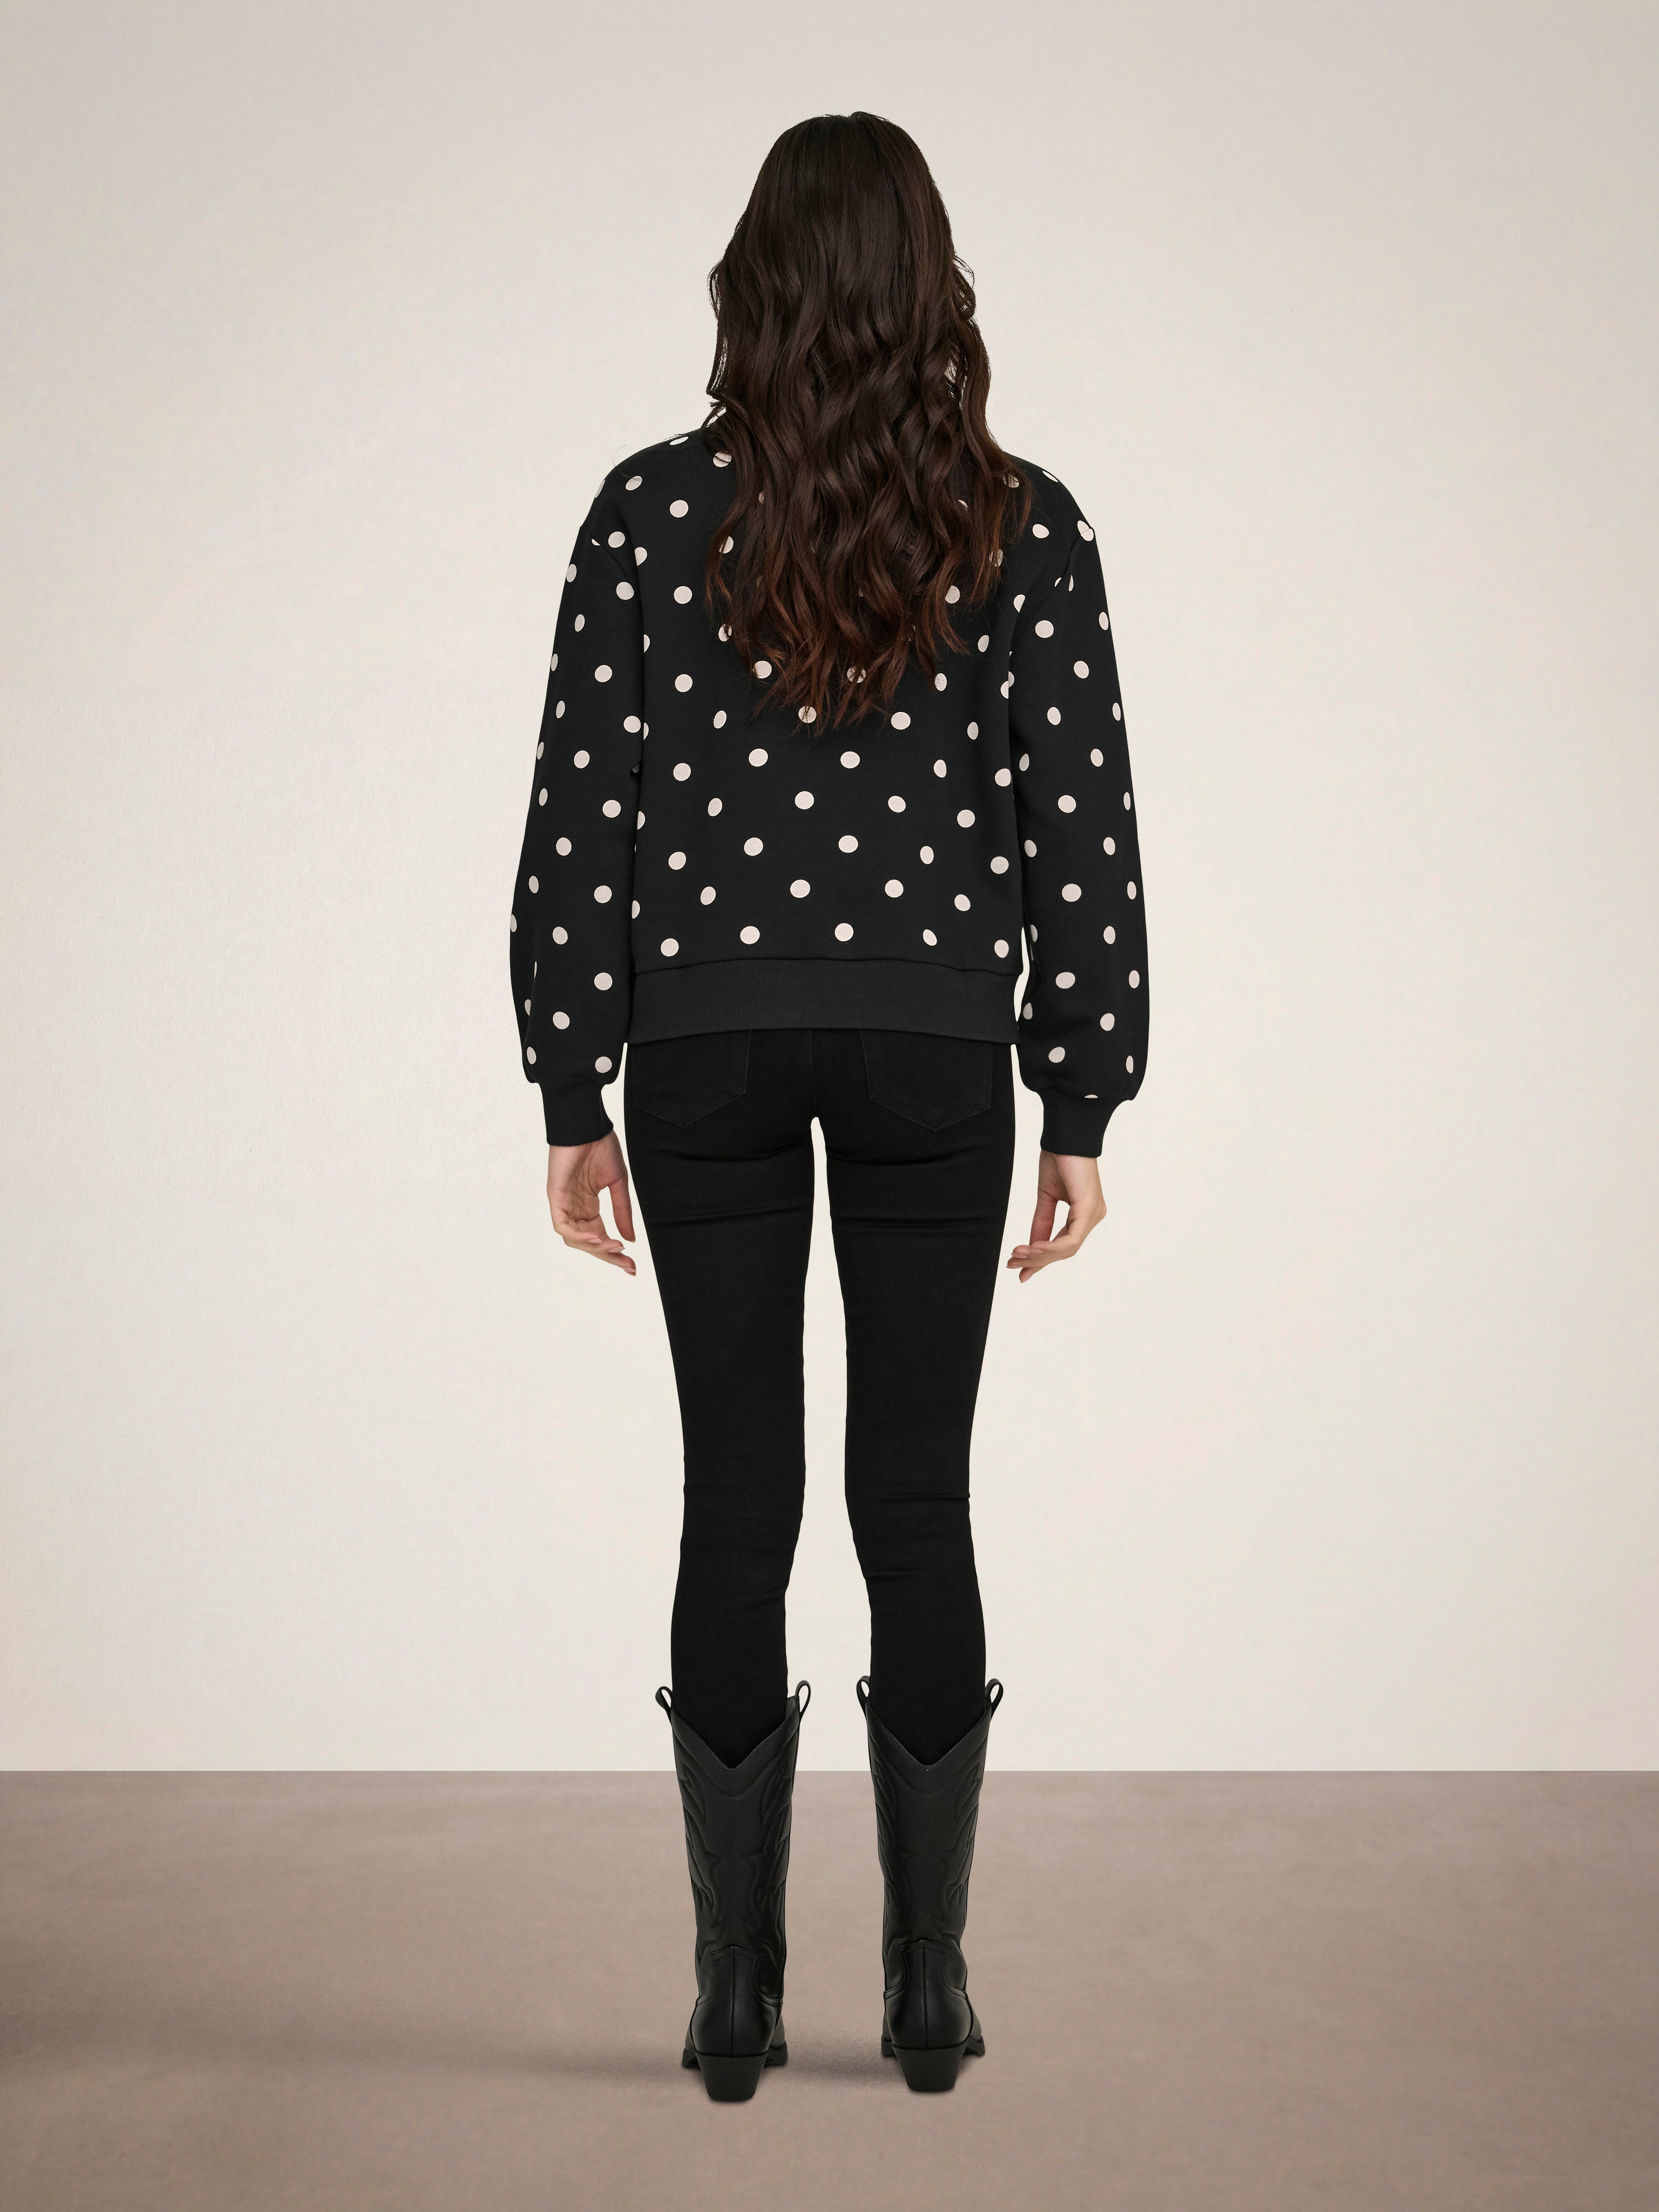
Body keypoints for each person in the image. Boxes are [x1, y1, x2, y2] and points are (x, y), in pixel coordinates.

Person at [509, 112, 1149, 2101]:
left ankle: (733, 1997)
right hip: (931, 1052)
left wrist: (569, 1079)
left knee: (737, 1499)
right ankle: (928, 1994)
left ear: (754, 283)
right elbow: (1082, 824)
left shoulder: (646, 510)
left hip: (700, 1047)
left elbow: (582, 806)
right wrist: (1081, 1099)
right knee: (915, 1501)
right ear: (929, 286)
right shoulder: (1021, 524)